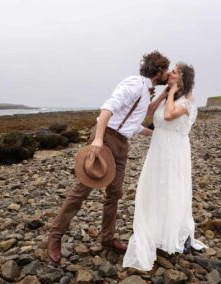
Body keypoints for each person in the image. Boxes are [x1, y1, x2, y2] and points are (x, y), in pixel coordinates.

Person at [47, 51, 170, 263]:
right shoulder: (134, 83)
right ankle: (55, 236)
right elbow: (107, 109)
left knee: (115, 193)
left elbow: (137, 119)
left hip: (121, 143)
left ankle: (107, 238)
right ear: (158, 71)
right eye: (166, 70)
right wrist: (97, 140)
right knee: (82, 190)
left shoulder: (145, 90)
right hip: (105, 139)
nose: (169, 73)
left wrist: (158, 130)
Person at [123, 62, 206, 271]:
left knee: (171, 188)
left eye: (175, 72)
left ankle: (173, 233)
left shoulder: (187, 100)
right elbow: (151, 112)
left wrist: (172, 93)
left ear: (182, 78)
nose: (170, 73)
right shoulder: (170, 96)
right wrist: (166, 93)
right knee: (154, 187)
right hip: (158, 148)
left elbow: (169, 116)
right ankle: (157, 230)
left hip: (174, 150)